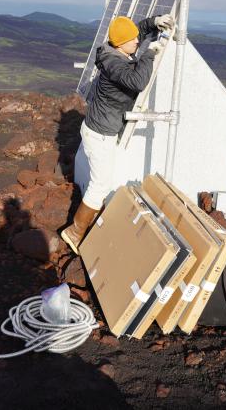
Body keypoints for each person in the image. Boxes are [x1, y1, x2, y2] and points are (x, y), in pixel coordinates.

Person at [61, 13, 175, 254]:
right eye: (132, 40)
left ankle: (87, 222)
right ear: (120, 43)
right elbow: (137, 82)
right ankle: (75, 232)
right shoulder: (115, 65)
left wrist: (154, 22)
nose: (137, 42)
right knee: (100, 186)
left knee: (102, 181)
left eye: (137, 38)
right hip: (100, 134)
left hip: (100, 129)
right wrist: (151, 52)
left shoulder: (114, 50)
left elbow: (135, 33)